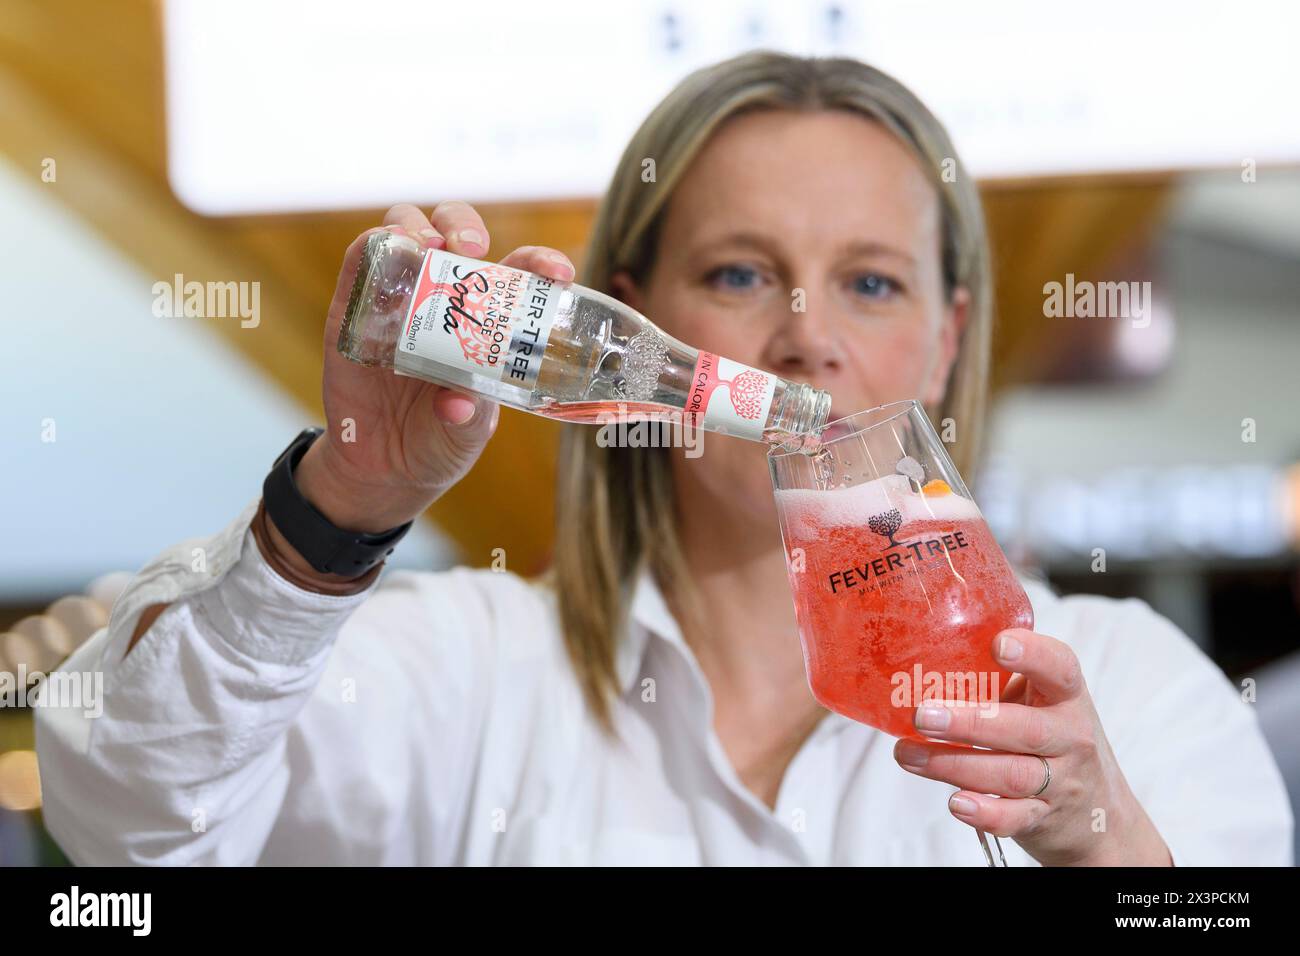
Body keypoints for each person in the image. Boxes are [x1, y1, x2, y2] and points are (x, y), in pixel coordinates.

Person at [34, 51, 1291, 865]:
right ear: (629, 326)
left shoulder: (1121, 684)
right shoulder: (464, 670)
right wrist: (345, 501)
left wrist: (1101, 837)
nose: (806, 335)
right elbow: (125, 825)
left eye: (870, 279)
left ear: (947, 334)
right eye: (739, 272)